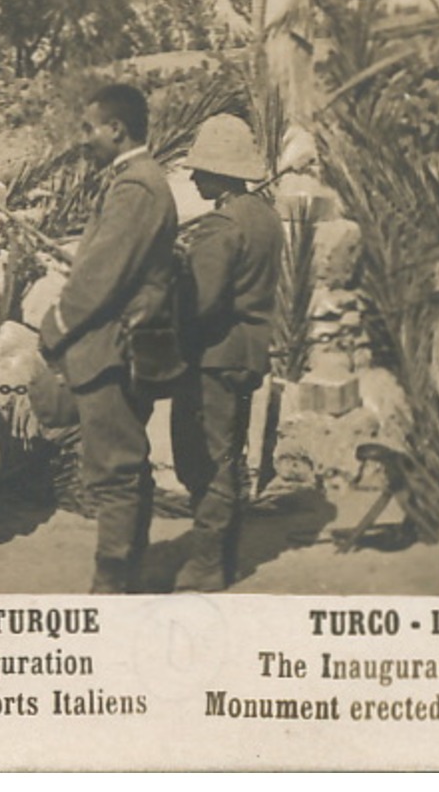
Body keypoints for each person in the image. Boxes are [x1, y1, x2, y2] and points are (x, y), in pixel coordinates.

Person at [39, 84, 176, 593]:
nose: (84, 140)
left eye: (89, 128)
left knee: (114, 470)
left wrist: (54, 327)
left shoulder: (136, 187)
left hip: (110, 350)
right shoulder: (132, 182)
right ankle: (126, 576)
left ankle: (112, 586)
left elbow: (99, 276)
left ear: (116, 129)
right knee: (125, 467)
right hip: (117, 345)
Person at [169, 114, 283, 591]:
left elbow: (202, 300)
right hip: (249, 352)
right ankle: (225, 553)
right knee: (230, 452)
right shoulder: (265, 217)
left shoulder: (221, 225)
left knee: (205, 458)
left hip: (214, 355)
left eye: (201, 169)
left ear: (222, 173)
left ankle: (207, 565)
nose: (193, 177)